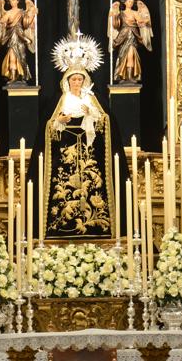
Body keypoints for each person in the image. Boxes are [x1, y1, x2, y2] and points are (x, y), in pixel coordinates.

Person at [43, 67, 114, 239]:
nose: (76, 83)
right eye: (73, 79)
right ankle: (63, 224)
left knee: (92, 184)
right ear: (67, 82)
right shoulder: (61, 100)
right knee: (65, 186)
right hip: (66, 151)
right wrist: (59, 120)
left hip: (89, 151)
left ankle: (96, 225)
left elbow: (105, 120)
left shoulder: (91, 98)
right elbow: (49, 127)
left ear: (84, 81)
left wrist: (91, 113)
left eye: (79, 80)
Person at [0, 0, 37, 85]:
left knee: (22, 58)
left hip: (21, 37)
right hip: (12, 36)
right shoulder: (8, 13)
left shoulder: (22, 12)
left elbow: (26, 24)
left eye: (13, 0)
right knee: (12, 57)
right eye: (10, 1)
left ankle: (23, 76)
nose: (12, 2)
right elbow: (2, 20)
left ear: (17, 1)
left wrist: (33, 14)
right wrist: (2, 22)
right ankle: (13, 77)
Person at [109, 0, 153, 84]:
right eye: (129, 1)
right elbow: (116, 26)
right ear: (125, 2)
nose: (131, 3)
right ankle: (123, 75)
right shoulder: (121, 13)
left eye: (132, 2)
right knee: (122, 55)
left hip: (132, 35)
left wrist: (146, 19)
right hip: (123, 36)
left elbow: (141, 21)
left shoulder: (135, 13)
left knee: (131, 55)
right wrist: (113, 15)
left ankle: (130, 76)